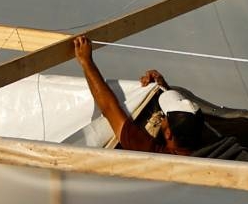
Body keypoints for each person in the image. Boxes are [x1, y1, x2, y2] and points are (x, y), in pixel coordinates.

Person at [73, 35, 204, 155]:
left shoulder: (153, 154)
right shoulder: (206, 150)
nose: (161, 117)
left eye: (163, 116)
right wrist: (162, 87)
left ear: (168, 133)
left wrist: (86, 62)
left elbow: (109, 108)